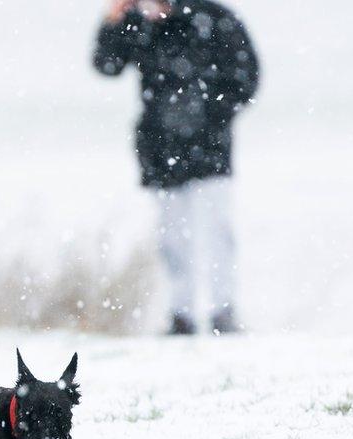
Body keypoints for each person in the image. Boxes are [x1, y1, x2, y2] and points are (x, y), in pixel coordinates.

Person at [93, 0, 259, 335]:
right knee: (172, 237)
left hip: (209, 148)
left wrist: (207, 114)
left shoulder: (214, 18)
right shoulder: (140, 22)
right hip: (161, 149)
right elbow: (107, 64)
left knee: (216, 231)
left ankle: (222, 311)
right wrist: (113, 20)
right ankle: (181, 313)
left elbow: (246, 78)